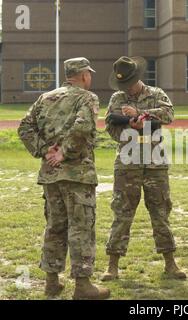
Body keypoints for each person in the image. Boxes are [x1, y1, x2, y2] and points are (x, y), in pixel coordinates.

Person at [18, 57, 110, 299]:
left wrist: (43, 150)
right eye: (89, 73)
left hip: (50, 176)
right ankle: (83, 286)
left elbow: (24, 127)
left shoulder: (45, 98)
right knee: (81, 228)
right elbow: (82, 128)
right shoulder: (86, 98)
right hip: (77, 175)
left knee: (55, 227)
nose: (90, 77)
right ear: (82, 75)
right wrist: (63, 152)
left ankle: (51, 282)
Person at [101, 56, 187, 281]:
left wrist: (142, 117)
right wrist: (129, 129)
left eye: (129, 82)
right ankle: (112, 266)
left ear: (138, 77)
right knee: (122, 212)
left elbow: (169, 115)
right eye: (123, 84)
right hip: (128, 163)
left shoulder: (156, 94)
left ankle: (170, 263)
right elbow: (110, 126)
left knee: (160, 212)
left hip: (154, 163)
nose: (127, 88)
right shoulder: (117, 98)